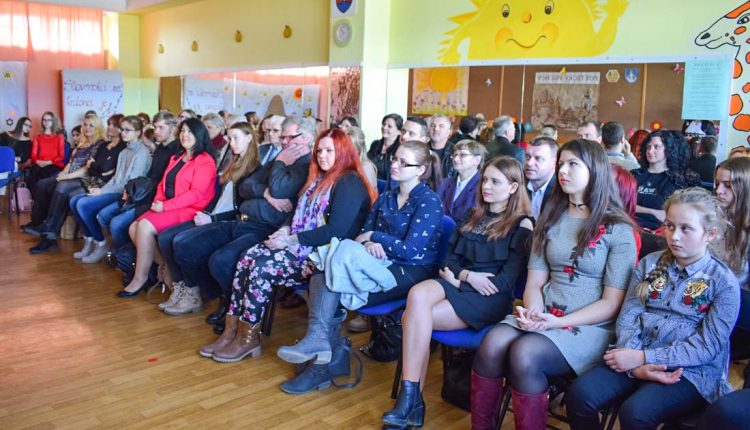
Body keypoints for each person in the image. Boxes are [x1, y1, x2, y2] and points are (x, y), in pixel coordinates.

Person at [470, 139, 637, 430]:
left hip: (590, 326)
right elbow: (534, 282)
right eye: (561, 164)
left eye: (573, 164)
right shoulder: (551, 218)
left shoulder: (618, 229)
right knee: (492, 343)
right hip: (545, 313)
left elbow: (612, 304)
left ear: (595, 170)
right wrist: (535, 314)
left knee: (525, 354)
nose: (563, 171)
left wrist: (556, 323)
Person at [275, 140, 444, 394]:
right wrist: (369, 243)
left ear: (420, 170)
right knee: (327, 270)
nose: (394, 165)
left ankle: (322, 363)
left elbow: (410, 250)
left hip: (412, 271)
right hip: (380, 261)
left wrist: (376, 238)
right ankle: (322, 352)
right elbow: (360, 236)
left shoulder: (429, 201)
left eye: (403, 162)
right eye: (395, 159)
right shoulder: (387, 197)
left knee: (333, 277)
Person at [566, 188, 739, 430]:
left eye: (686, 229)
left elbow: (706, 347)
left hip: (690, 370)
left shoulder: (723, 282)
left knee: (636, 413)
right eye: (670, 226)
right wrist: (635, 362)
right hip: (635, 351)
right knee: (579, 395)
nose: (674, 236)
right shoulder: (650, 263)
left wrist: (644, 358)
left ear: (710, 233)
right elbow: (629, 315)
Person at [200, 128, 375, 362]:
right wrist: (283, 231)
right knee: (245, 258)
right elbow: (296, 214)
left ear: (343, 152)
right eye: (319, 151)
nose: (322, 156)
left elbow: (335, 231)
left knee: (260, 267)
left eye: (329, 151)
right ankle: (232, 331)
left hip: (323, 255)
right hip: (301, 245)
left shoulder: (349, 181)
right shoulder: (319, 178)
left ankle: (248, 338)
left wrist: (291, 239)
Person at [382, 157, 534, 428]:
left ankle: (410, 403)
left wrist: (457, 279)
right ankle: (410, 400)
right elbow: (448, 262)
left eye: (495, 181)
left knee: (410, 318)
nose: (486, 186)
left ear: (513, 187)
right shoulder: (472, 215)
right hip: (459, 283)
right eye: (485, 179)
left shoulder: (522, 225)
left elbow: (503, 283)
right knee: (417, 294)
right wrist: (466, 276)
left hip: (487, 299)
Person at [164, 115, 315, 332]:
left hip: (265, 228)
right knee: (184, 243)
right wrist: (265, 192)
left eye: (289, 137)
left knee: (220, 260)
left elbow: (280, 189)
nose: (283, 142)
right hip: (241, 220)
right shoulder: (277, 159)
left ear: (307, 137)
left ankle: (232, 308)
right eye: (282, 137)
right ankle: (220, 296)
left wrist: (280, 163)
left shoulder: (306, 166)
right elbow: (245, 187)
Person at [157, 122, 259, 315]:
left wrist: (213, 218)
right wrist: (207, 213)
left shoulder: (254, 169)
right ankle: (182, 289)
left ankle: (195, 292)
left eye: (236, 138)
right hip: (214, 215)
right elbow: (217, 196)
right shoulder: (233, 161)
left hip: (229, 221)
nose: (231, 143)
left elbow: (240, 208)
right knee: (165, 237)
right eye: (230, 138)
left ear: (249, 138)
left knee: (181, 242)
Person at [117, 118, 217, 298]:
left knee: (144, 226)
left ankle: (140, 279)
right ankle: (164, 266)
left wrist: (165, 206)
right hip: (169, 206)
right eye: (182, 131)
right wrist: (158, 202)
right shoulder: (176, 157)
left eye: (190, 131)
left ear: (199, 135)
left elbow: (196, 194)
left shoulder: (205, 161)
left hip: (190, 209)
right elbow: (163, 184)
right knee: (133, 228)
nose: (185, 135)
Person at [70, 116, 151, 264]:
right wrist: (101, 189)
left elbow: (131, 184)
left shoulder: (141, 153)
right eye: (122, 129)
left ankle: (101, 243)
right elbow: (115, 178)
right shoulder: (124, 151)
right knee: (74, 200)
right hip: (115, 189)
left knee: (83, 204)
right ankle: (89, 241)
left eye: (127, 130)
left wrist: (102, 192)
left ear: (138, 132)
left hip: (126, 195)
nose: (123, 133)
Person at [95, 111, 180, 251]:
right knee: (104, 216)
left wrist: (135, 193)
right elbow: (149, 178)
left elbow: (166, 183)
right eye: (155, 127)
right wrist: (130, 191)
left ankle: (122, 255)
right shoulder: (160, 148)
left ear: (173, 128)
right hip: (145, 194)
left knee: (116, 223)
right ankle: (116, 252)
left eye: (161, 127)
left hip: (157, 199)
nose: (156, 131)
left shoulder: (177, 151)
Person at [26, 114, 108, 253]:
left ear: (98, 127)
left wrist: (66, 177)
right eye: (85, 124)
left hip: (89, 179)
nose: (87, 128)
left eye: (91, 125)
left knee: (61, 186)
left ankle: (48, 232)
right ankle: (41, 224)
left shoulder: (100, 144)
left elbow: (86, 169)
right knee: (42, 185)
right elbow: (71, 162)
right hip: (71, 176)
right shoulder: (82, 142)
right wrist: (62, 174)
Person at [713, 158, 750, 344]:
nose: (719, 191)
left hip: (737, 304)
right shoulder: (714, 216)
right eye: (718, 183)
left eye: (727, 185)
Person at [632, 131, 700, 230]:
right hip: (630, 226)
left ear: (668, 149)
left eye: (656, 147)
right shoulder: (634, 174)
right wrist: (653, 212)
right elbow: (620, 204)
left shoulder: (678, 179)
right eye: (648, 147)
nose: (650, 151)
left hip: (661, 231)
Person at [437, 139, 486, 221]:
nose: (455, 159)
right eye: (455, 155)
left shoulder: (483, 187)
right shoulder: (444, 183)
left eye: (462, 155)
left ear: (477, 160)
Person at [26, 111, 65, 200]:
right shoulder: (37, 137)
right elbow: (33, 155)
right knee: (33, 173)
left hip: (54, 164)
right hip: (39, 163)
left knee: (46, 174)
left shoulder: (59, 137)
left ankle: (45, 200)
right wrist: (38, 162)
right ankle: (36, 200)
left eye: (49, 120)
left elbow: (61, 156)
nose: (46, 122)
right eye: (44, 120)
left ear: (53, 121)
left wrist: (49, 162)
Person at [524, 136, 557, 221]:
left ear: (554, 163)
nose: (529, 163)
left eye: (538, 158)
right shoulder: (518, 183)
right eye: (527, 157)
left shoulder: (560, 190)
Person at [367, 113, 403, 183]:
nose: (384, 127)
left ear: (399, 131)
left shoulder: (400, 150)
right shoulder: (375, 144)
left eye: (389, 126)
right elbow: (366, 162)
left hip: (388, 186)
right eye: (384, 124)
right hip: (370, 182)